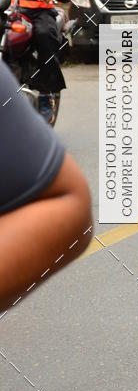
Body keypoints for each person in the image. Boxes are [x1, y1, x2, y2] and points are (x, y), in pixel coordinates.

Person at [0, 59, 92, 313]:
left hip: (40, 19)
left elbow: (67, 202)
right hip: (18, 20)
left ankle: (47, 87)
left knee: (44, 34)